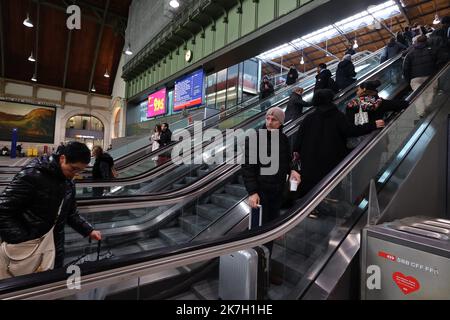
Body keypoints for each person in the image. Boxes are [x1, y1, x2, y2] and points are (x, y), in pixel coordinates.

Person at [0, 142, 102, 274]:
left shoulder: (68, 181)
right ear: (62, 158)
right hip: (28, 248)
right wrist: (23, 238)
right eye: (73, 169)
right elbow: (3, 210)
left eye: (80, 171)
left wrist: (88, 230)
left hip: (54, 246)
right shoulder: (32, 175)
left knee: (48, 284)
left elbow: (70, 213)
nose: (75, 174)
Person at [289, 89, 385, 198]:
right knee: (330, 185)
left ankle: (309, 208)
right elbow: (351, 131)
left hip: (310, 161)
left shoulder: (309, 118)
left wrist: (296, 152)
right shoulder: (338, 116)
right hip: (332, 161)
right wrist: (373, 125)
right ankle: (330, 204)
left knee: (311, 186)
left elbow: (298, 140)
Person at [242, 107, 294, 284]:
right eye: (268, 118)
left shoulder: (284, 139)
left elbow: (287, 162)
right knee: (257, 234)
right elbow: (248, 167)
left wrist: (293, 170)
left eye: (274, 119)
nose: (269, 122)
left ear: (281, 123)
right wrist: (253, 192)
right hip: (261, 194)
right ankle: (251, 273)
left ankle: (265, 270)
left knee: (270, 234)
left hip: (277, 194)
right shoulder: (256, 137)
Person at [345, 80, 408, 148]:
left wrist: (373, 125)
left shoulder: (352, 106)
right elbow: (403, 103)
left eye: (358, 89)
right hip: (378, 138)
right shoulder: (380, 102)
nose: (357, 92)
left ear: (364, 90)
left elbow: (350, 128)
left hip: (360, 144)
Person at [402, 35, 438, 118]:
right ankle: (428, 108)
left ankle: (421, 113)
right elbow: (438, 61)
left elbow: (405, 68)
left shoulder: (410, 53)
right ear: (427, 41)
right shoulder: (432, 50)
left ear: (416, 42)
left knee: (418, 95)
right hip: (430, 76)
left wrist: (408, 80)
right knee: (430, 93)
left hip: (415, 78)